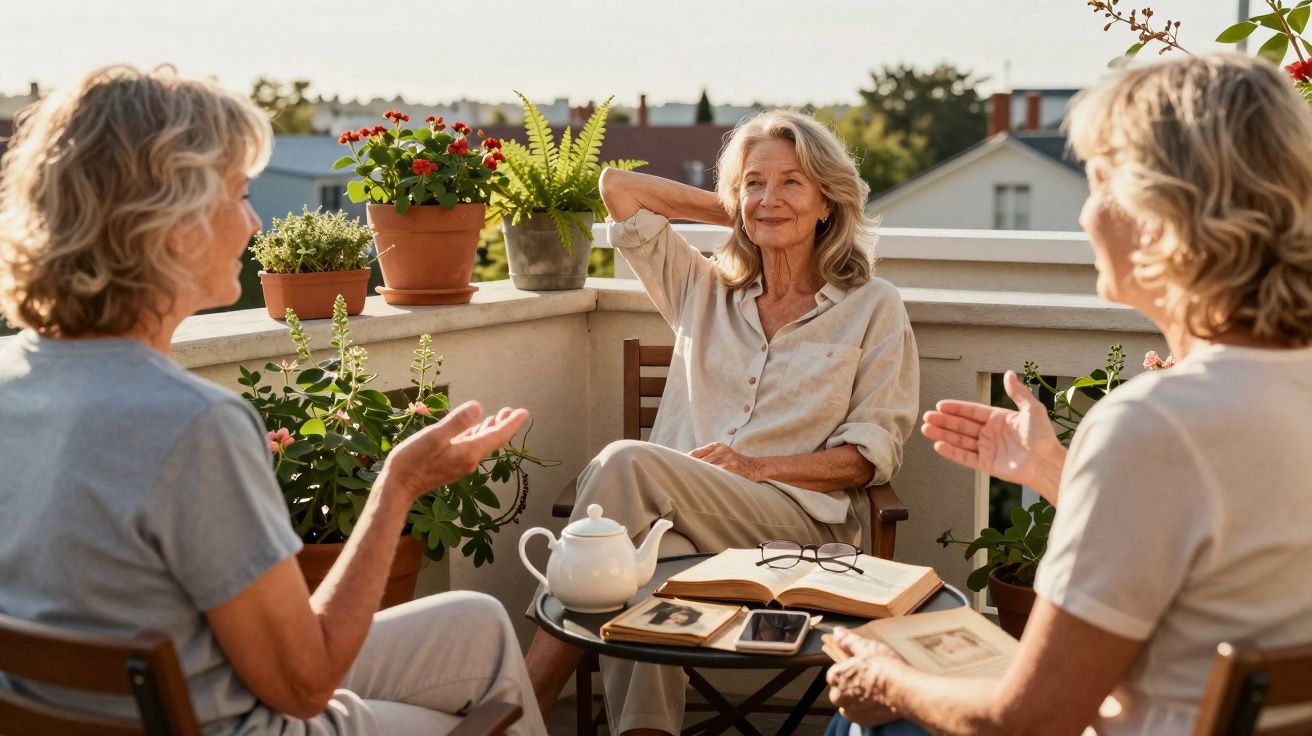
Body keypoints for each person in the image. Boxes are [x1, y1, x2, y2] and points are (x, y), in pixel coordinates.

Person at [0, 65, 547, 736]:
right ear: (172, 225)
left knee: (479, 625)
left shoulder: (15, 388)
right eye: (238, 194)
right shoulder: (192, 424)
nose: (255, 222)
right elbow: (305, 683)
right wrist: (399, 486)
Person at [825, 53, 1312, 736]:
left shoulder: (1161, 424)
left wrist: (886, 680)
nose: (1085, 216)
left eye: (1097, 182)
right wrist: (1058, 474)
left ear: (1158, 209)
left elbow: (1030, 719)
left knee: (871, 713)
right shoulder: (1273, 392)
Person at [524, 110, 920, 735]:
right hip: (674, 518)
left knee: (624, 463)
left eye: (793, 182)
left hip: (795, 526)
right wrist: (748, 213)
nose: (770, 196)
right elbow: (617, 188)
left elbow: (870, 457)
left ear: (829, 202)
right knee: (633, 576)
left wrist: (756, 467)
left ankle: (523, 703)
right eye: (754, 182)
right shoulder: (703, 290)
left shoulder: (873, 307)